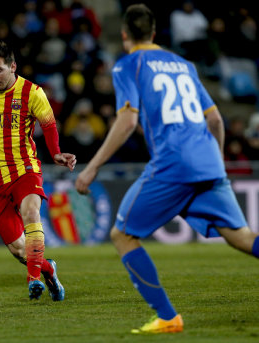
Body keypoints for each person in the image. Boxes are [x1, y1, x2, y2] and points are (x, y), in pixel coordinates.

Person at [75, 4, 259, 334]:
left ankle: (167, 316)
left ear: (125, 34)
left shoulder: (128, 65)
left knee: (123, 235)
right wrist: (216, 161)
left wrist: (92, 168)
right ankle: (166, 317)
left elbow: (127, 120)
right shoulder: (183, 64)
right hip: (208, 162)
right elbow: (215, 119)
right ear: (155, 33)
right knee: (243, 237)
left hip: (174, 162)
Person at [0, 42, 76, 301]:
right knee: (18, 250)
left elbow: (48, 125)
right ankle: (47, 269)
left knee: (31, 212)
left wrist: (56, 152)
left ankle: (33, 278)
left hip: (24, 168)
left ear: (13, 66)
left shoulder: (32, 92)